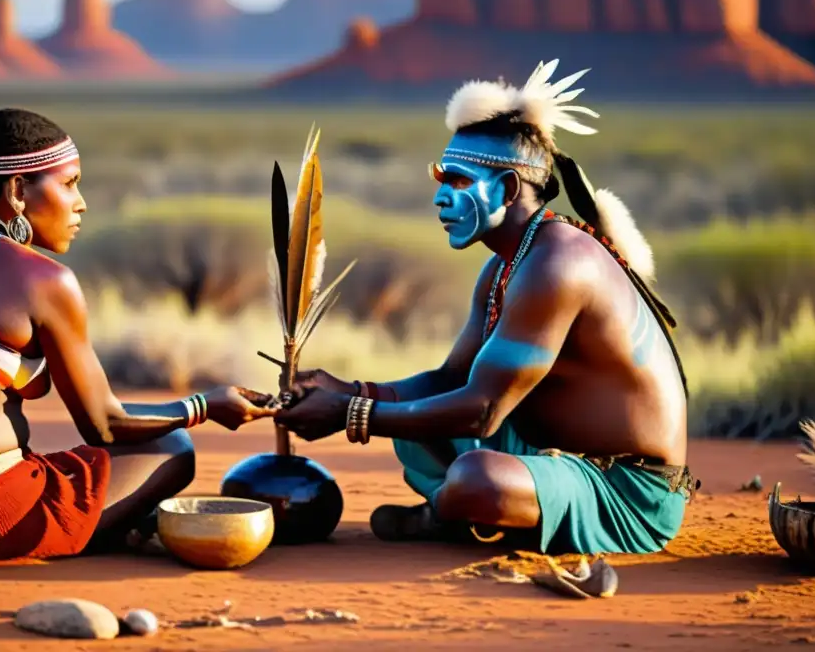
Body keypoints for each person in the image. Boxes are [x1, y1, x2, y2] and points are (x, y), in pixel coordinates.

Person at [275, 60, 698, 556]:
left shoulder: (558, 263)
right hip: (547, 454)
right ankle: (467, 511)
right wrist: (353, 390)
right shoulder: (506, 266)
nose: (439, 198)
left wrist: (351, 414)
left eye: (455, 181)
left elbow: (482, 413)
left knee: (476, 476)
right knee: (412, 423)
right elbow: (452, 381)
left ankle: (457, 511)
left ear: (509, 189)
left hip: (628, 492)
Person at [0, 108, 276, 582]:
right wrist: (205, 405)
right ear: (17, 191)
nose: (81, 203)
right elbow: (105, 425)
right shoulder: (44, 279)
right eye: (69, 183)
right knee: (172, 446)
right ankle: (99, 532)